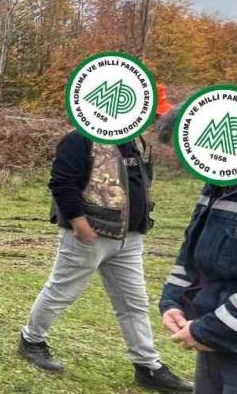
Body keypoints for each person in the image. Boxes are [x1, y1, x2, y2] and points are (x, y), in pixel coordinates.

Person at [17, 122, 192, 392]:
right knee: (62, 291)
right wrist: (79, 222)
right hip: (89, 235)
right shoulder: (79, 140)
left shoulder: (136, 140)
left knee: (134, 302)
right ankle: (31, 340)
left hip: (129, 238)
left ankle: (148, 366)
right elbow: (61, 183)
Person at [156, 105, 237, 394]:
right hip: (215, 339)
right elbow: (192, 249)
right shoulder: (220, 181)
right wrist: (173, 300)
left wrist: (214, 331)